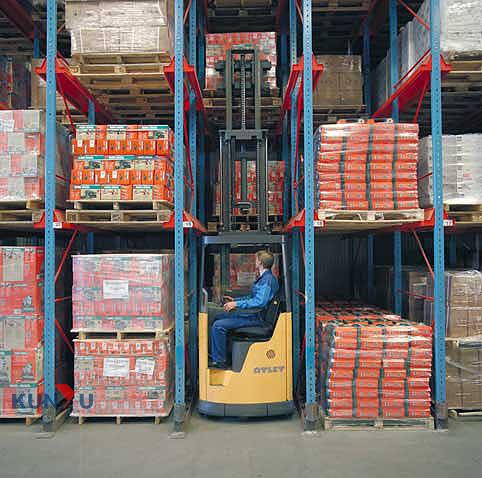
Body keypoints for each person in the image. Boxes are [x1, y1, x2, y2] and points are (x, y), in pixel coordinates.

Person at [210, 250, 279, 368]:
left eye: (256, 259)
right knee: (218, 317)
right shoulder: (264, 278)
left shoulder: (267, 280)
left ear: (260, 262)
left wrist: (236, 305)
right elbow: (252, 297)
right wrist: (235, 300)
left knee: (218, 325)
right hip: (253, 314)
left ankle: (220, 361)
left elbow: (259, 302)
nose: (255, 261)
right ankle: (223, 353)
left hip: (257, 318)